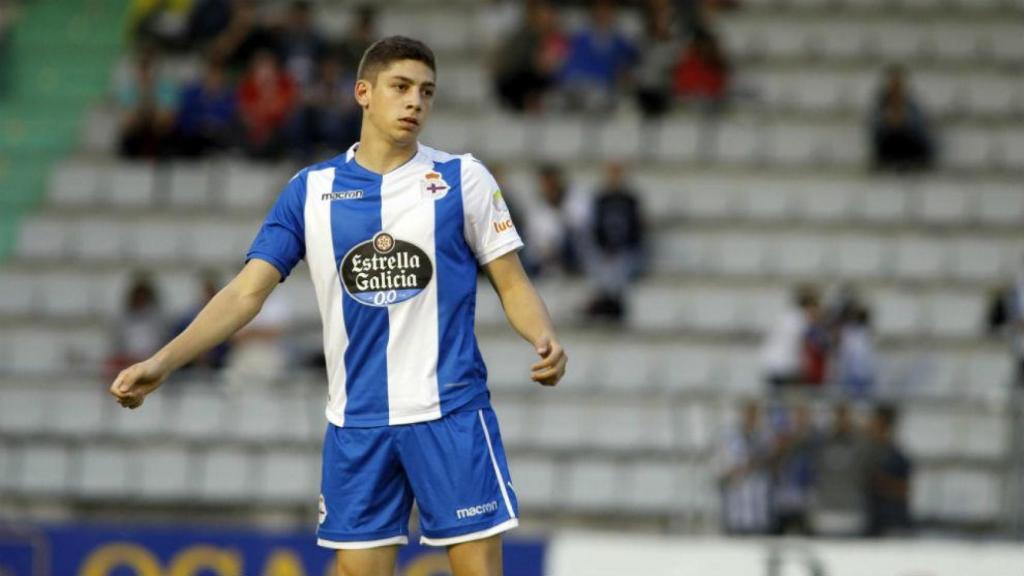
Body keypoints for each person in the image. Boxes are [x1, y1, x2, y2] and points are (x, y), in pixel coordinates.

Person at [109, 36, 567, 576]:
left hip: (450, 413)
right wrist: (162, 362)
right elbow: (245, 293)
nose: (415, 101)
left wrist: (543, 336)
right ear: (363, 93)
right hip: (358, 422)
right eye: (400, 87)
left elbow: (511, 282)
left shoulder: (462, 179)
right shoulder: (310, 191)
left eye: (426, 91)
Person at [810, 403, 868, 537]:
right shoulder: (820, 443)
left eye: (845, 415)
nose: (841, 420)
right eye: (837, 415)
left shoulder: (861, 444)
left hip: (852, 511)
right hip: (825, 511)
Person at [718, 400, 775, 535]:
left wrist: (754, 465)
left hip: (759, 510)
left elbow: (770, 462)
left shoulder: (765, 438)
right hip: (736, 508)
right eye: (748, 414)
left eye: (755, 414)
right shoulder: (729, 438)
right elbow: (721, 467)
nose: (751, 418)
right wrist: (732, 472)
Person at [870, 65, 935, 172]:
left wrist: (905, 122)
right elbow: (875, 133)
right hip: (888, 150)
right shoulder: (880, 107)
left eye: (898, 84)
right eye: (893, 83)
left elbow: (921, 132)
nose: (895, 87)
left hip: (909, 149)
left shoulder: (912, 106)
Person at [863, 404, 913, 537]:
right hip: (872, 521)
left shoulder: (896, 456)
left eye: (875, 423)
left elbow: (904, 489)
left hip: (892, 521)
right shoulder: (868, 452)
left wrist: (880, 482)